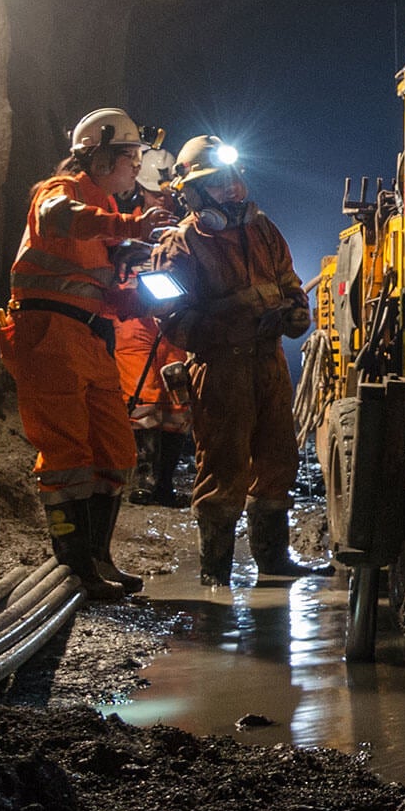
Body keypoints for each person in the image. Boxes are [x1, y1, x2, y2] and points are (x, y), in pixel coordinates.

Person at [0, 107, 167, 600]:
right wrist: (133, 229)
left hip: (90, 337)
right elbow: (59, 220)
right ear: (97, 156)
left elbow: (104, 295)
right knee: (67, 452)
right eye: (129, 156)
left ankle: (97, 557)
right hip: (47, 333)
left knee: (115, 451)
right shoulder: (61, 192)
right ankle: (74, 567)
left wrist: (153, 301)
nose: (136, 166)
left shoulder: (109, 217)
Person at [146, 136, 325, 584]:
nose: (234, 192)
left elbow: (289, 281)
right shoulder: (178, 245)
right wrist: (234, 324)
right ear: (193, 193)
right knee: (222, 468)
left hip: (268, 365)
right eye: (220, 184)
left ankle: (273, 561)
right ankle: (216, 574)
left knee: (278, 457)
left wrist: (295, 311)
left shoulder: (264, 231)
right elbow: (171, 319)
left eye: (234, 181)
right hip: (220, 370)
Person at [112, 147, 193, 506]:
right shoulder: (123, 219)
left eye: (165, 191)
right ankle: (142, 479)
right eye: (154, 191)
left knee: (176, 399)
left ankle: (164, 482)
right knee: (141, 398)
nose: (161, 197)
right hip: (135, 318)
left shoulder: (187, 223)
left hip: (176, 317)